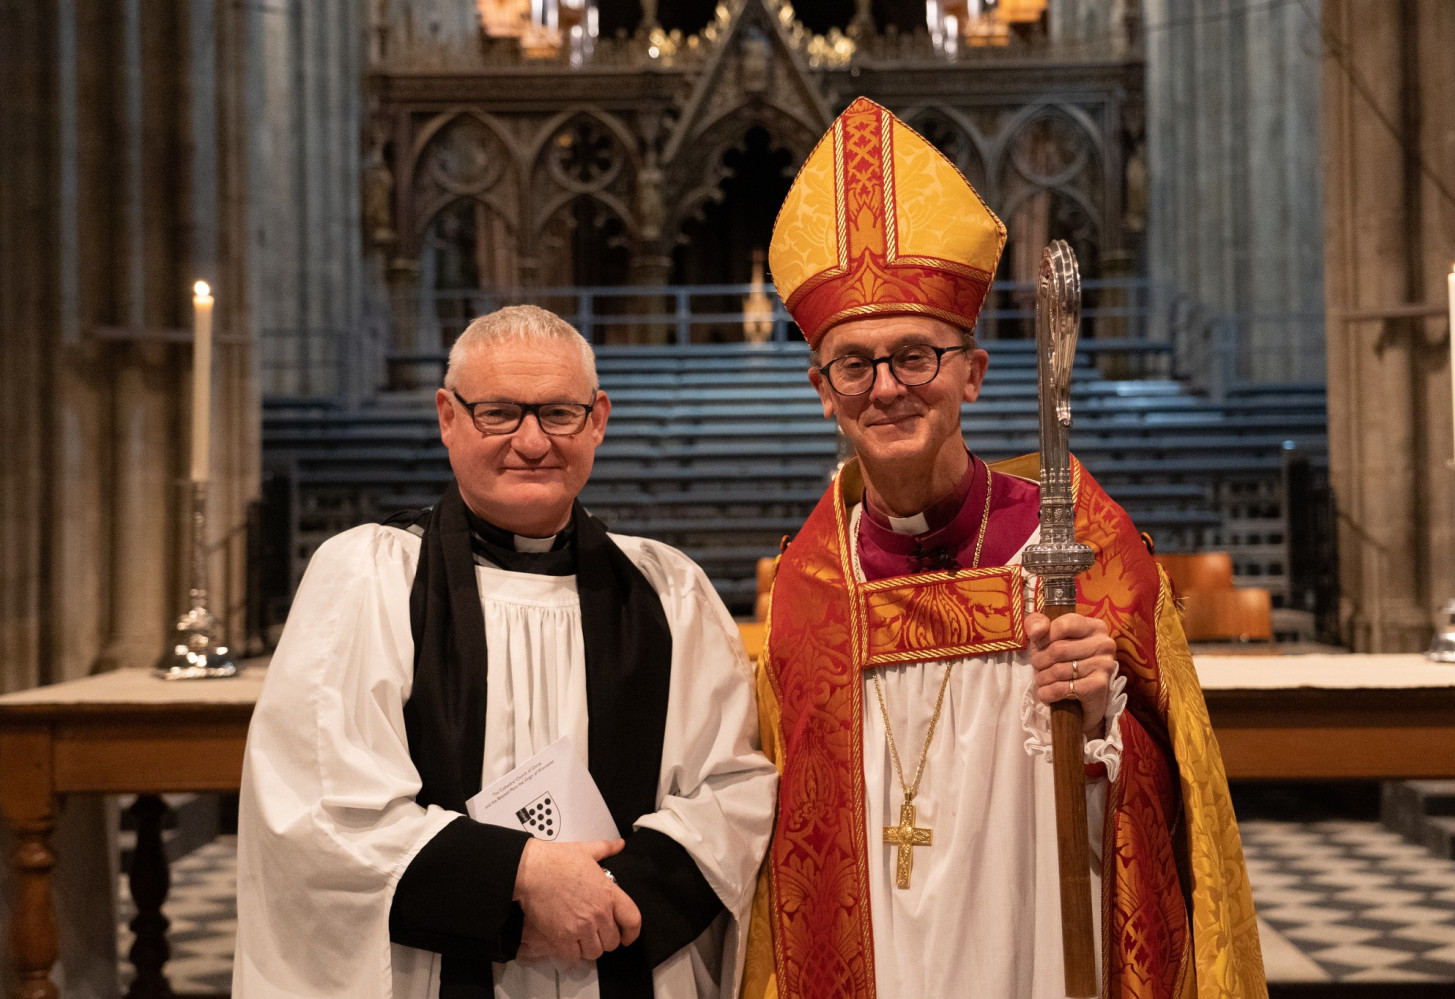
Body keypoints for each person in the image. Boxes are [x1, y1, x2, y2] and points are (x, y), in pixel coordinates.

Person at [739, 98, 1265, 998]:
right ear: (822, 390)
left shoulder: (1077, 540)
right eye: (855, 364)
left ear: (972, 374)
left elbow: (1177, 797)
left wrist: (1103, 711)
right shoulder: (811, 580)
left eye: (917, 356)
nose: (888, 387)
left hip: (1041, 929)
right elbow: (790, 837)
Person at [235, 305, 778, 999]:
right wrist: (518, 881)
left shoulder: (668, 592)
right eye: (498, 412)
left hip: (623, 957)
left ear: (599, 420)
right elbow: (316, 805)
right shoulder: (366, 579)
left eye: (559, 413)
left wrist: (599, 903)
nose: (531, 441)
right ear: (447, 417)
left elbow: (729, 790)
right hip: (435, 969)